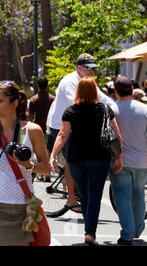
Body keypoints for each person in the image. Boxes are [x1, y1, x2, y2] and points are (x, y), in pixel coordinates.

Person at [0, 80, 50, 246]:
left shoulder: (32, 131)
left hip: (23, 209)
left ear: (14, 103)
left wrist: (29, 165)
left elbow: (46, 168)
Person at [50, 76, 123, 246]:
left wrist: (53, 155)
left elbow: (62, 135)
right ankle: (90, 233)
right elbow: (117, 134)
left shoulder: (70, 111)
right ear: (94, 90)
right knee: (95, 196)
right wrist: (119, 156)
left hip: (76, 159)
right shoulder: (105, 109)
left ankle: (89, 231)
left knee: (83, 195)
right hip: (100, 158)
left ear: (78, 91)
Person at [46, 53, 115, 213]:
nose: (92, 72)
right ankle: (71, 198)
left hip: (76, 124)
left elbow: (104, 99)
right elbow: (77, 105)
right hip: (62, 125)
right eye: (89, 69)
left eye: (93, 69)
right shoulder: (70, 82)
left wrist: (117, 109)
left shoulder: (88, 82)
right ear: (79, 68)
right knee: (73, 159)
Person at [109, 76, 147, 245]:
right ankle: (138, 229)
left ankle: (127, 233)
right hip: (142, 160)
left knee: (122, 197)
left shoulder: (111, 109)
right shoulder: (144, 109)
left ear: (116, 91)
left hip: (119, 160)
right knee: (139, 193)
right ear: (132, 89)